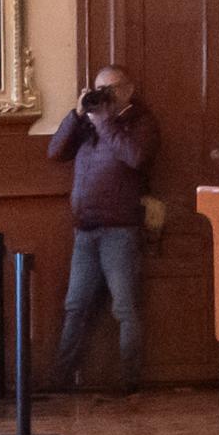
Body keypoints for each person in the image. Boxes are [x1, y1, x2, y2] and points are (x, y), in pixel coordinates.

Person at [44, 63, 160, 392]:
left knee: (124, 308)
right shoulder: (88, 122)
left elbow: (136, 157)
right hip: (85, 230)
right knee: (75, 307)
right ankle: (59, 382)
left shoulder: (141, 122)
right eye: (98, 89)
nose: (103, 95)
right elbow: (55, 152)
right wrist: (76, 115)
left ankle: (129, 382)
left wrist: (105, 124)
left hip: (120, 231)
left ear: (128, 90)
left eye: (110, 89)